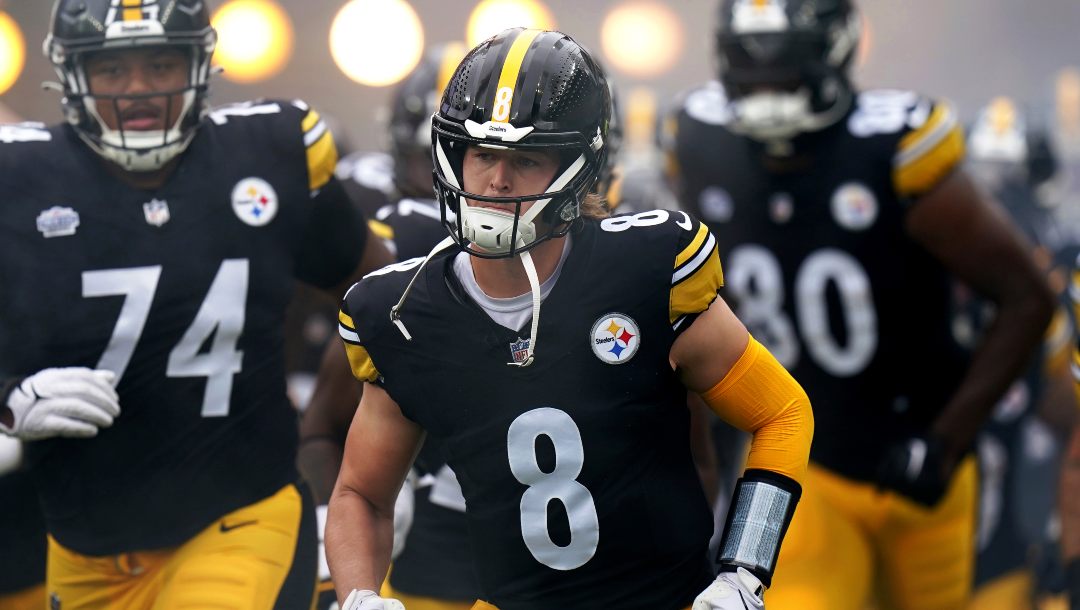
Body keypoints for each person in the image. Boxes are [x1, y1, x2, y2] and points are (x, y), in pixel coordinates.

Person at [325, 28, 814, 610]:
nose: (496, 181)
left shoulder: (644, 270)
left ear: (580, 167)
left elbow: (781, 413)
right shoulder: (404, 312)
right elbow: (360, 493)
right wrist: (359, 594)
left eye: (524, 159)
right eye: (481, 154)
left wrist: (743, 570)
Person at [0, 1, 393, 608]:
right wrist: (7, 400)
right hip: (82, 548)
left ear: (199, 62)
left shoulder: (268, 152)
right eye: (111, 70)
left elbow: (383, 292)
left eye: (160, 64)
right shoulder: (19, 176)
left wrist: (330, 432)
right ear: (73, 76)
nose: (138, 90)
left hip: (238, 521)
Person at [665, 1, 1056, 609]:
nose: (765, 79)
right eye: (748, 58)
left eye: (783, 59)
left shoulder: (892, 144)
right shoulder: (699, 139)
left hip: (922, 461)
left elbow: (1028, 296)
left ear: (833, 48)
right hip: (804, 454)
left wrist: (946, 440)